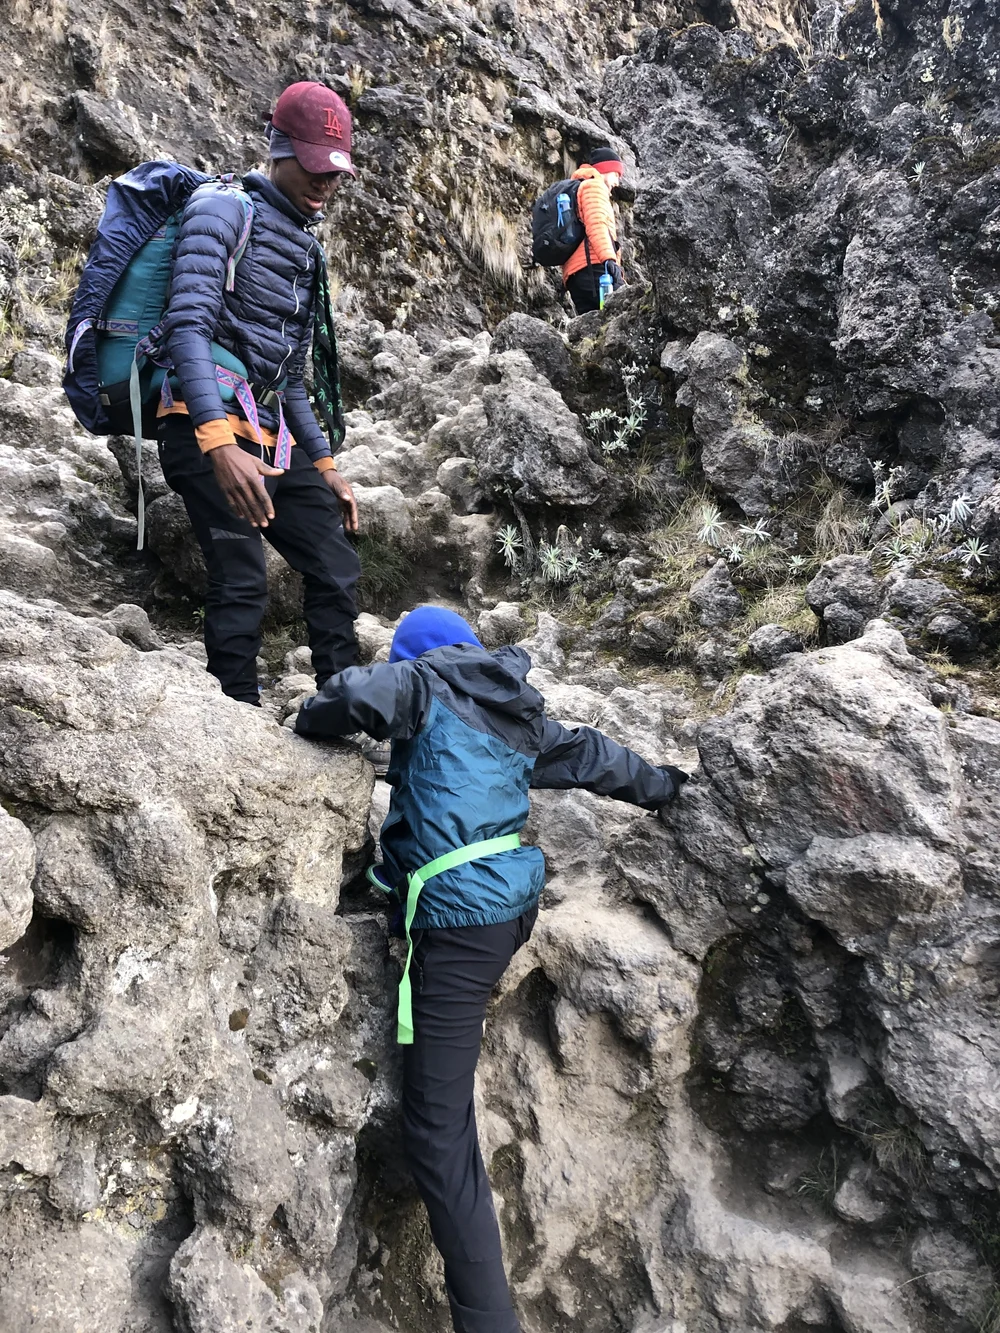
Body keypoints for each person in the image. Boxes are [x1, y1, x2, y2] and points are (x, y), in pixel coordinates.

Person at [294, 605, 688, 1333]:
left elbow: (348, 698)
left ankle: (489, 1319)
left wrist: (305, 718)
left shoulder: (418, 682)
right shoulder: (516, 707)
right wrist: (666, 786)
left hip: (459, 923)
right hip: (511, 907)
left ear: (419, 654)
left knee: (436, 1134)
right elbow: (598, 757)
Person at [157, 81, 362, 706]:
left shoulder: (303, 241)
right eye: (312, 166)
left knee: (335, 564)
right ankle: (236, 718)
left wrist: (324, 465)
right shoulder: (221, 211)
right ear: (277, 147)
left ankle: (345, 706)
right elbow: (184, 327)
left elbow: (289, 375)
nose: (324, 183)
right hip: (203, 421)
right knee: (241, 578)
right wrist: (217, 442)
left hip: (269, 427)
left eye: (334, 172)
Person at [562, 147, 626, 315]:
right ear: (605, 170)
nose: (617, 182)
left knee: (590, 330)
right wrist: (609, 260)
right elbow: (596, 224)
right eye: (616, 175)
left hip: (576, 274)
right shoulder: (594, 187)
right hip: (595, 269)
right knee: (617, 319)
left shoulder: (579, 188)